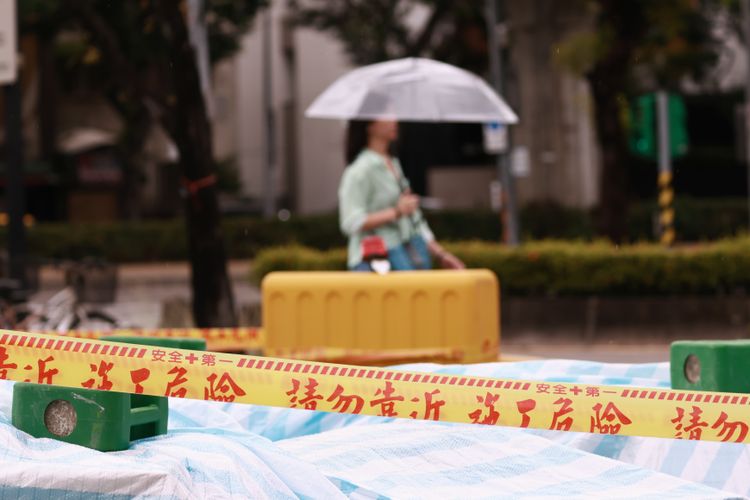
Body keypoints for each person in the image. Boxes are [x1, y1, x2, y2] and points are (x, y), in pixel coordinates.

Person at [338, 119, 465, 271]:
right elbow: (351, 222)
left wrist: (441, 254)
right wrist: (396, 212)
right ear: (369, 125)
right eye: (386, 113)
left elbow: (414, 219)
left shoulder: (393, 163)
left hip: (406, 255)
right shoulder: (360, 169)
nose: (394, 120)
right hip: (375, 263)